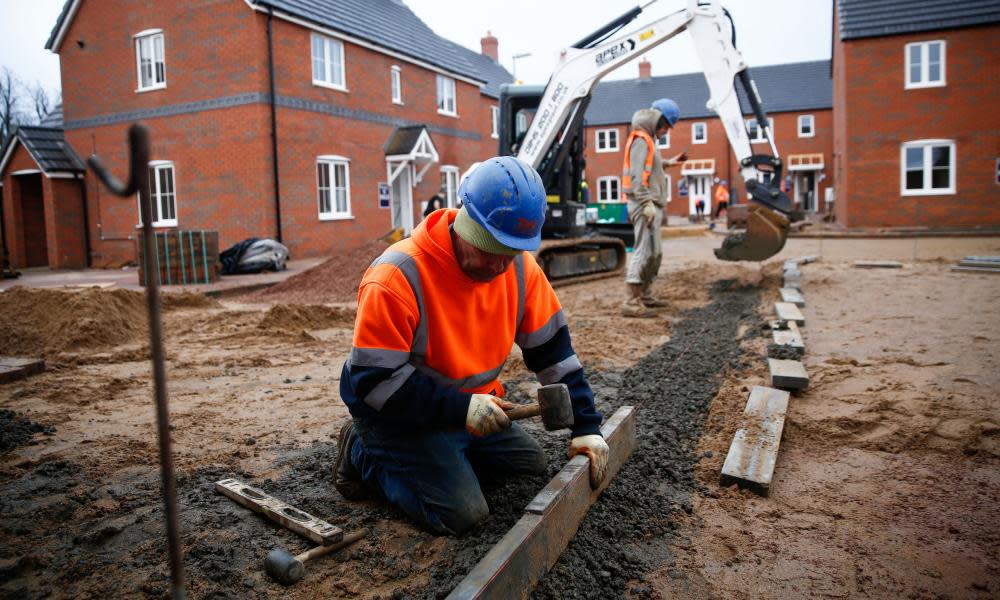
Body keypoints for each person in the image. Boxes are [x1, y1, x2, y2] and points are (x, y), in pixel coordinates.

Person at [335, 156, 609, 536]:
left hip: (469, 407)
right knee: (463, 514)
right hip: (395, 414)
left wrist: (587, 426)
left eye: (510, 252)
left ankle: (446, 455)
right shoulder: (396, 277)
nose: (499, 266)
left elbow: (555, 355)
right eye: (489, 248)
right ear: (465, 222)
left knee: (530, 465)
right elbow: (375, 382)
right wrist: (459, 408)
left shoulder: (521, 270)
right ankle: (363, 453)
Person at [621, 98, 687, 318]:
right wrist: (647, 203)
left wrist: (670, 162)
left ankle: (646, 295)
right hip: (643, 204)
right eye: (666, 125)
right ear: (657, 120)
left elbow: (652, 165)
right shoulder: (641, 140)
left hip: (651, 203)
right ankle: (631, 301)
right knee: (643, 250)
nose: (666, 131)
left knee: (655, 254)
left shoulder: (650, 140)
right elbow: (637, 177)